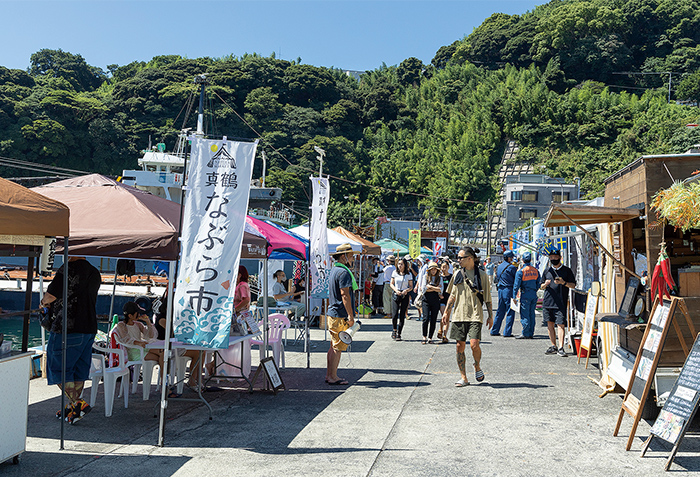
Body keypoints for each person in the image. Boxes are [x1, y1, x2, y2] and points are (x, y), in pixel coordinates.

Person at [40, 256, 101, 424]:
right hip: (89, 327)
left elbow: (51, 295)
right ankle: (72, 408)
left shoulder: (68, 269)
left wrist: (43, 302)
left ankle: (77, 403)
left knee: (58, 369)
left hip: (67, 327)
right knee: (78, 370)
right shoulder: (95, 272)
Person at [442, 247, 493, 387]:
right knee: (459, 346)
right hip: (459, 314)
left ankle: (477, 366)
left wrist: (490, 316)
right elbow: (452, 295)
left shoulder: (482, 275)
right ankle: (464, 377)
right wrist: (446, 312)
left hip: (475, 314)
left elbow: (488, 298)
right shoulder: (457, 274)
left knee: (474, 344)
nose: (458, 260)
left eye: (460, 258)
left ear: (470, 258)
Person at [326, 243, 358, 385]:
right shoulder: (343, 272)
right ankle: (332, 376)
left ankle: (330, 375)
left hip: (333, 312)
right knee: (337, 347)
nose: (352, 257)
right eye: (350, 255)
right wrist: (351, 316)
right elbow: (345, 295)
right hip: (339, 313)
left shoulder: (335, 270)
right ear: (344, 256)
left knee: (334, 346)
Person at [540, 248, 576, 357]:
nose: (553, 259)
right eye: (551, 257)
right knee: (549, 324)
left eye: (555, 257)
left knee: (561, 324)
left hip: (561, 302)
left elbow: (573, 285)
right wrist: (545, 284)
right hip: (547, 302)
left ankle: (561, 347)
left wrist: (563, 283)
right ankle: (553, 345)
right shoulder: (547, 271)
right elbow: (541, 286)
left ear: (560, 257)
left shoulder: (566, 270)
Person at [513, 251, 540, 339]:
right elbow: (539, 282)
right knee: (532, 314)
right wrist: (535, 289)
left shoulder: (521, 271)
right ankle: (531, 332)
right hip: (533, 294)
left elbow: (516, 285)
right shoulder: (535, 270)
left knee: (525, 314)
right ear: (530, 259)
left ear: (522, 260)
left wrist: (514, 296)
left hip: (525, 294)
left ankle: (525, 333)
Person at [491, 250, 518, 337]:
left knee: (500, 310)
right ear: (508, 257)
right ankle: (507, 332)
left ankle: (494, 330)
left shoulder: (499, 266)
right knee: (510, 311)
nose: (512, 259)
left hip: (500, 289)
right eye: (511, 257)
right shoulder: (512, 267)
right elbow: (516, 280)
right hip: (508, 289)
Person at [419, 261, 443, 344]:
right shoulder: (425, 277)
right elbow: (424, 289)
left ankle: (430, 337)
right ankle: (424, 336)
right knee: (425, 318)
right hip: (426, 299)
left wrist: (431, 287)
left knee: (433, 319)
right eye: (432, 269)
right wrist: (435, 288)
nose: (433, 271)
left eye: (435, 269)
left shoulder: (439, 278)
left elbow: (441, 289)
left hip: (435, 300)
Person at [390, 257, 413, 341]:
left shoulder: (408, 274)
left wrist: (406, 290)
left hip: (404, 295)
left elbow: (411, 286)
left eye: (401, 264)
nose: (400, 266)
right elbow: (391, 284)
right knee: (395, 314)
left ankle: (399, 333)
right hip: (396, 294)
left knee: (402, 314)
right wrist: (396, 290)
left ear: (405, 265)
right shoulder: (394, 272)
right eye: (399, 264)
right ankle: (394, 330)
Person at [437, 259, 453, 343]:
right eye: (442, 267)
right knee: (444, 315)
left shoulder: (451, 277)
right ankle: (441, 330)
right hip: (441, 299)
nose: (444, 269)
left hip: (449, 299)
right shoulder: (439, 277)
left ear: (448, 267)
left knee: (447, 317)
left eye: (446, 267)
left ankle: (444, 335)